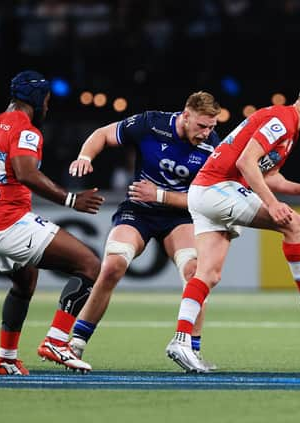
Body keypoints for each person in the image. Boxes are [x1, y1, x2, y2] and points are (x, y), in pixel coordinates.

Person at [165, 83, 300, 373]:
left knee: (208, 274)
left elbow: (270, 175)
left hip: (204, 192)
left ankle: (181, 340)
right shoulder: (282, 120)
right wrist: (272, 203)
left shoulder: (287, 130)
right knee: (295, 224)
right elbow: (246, 163)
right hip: (218, 189)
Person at [0, 70, 105, 375]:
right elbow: (26, 173)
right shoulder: (25, 129)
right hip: (9, 223)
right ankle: (57, 341)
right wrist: (71, 200)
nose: (48, 107)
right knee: (89, 264)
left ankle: (6, 358)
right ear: (35, 99)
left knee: (24, 283)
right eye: (46, 100)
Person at [65, 91, 222, 370]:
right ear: (185, 116)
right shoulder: (151, 124)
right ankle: (75, 343)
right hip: (139, 210)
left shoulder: (212, 147)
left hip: (180, 216)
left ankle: (190, 349)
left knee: (195, 273)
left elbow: (205, 200)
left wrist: (160, 195)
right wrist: (85, 157)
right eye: (201, 126)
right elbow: (102, 134)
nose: (206, 133)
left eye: (212, 127)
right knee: (113, 265)